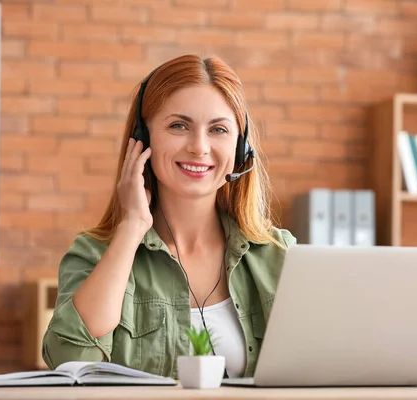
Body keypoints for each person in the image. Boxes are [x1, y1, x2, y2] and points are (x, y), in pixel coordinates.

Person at [42, 54, 296, 380]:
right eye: (179, 125)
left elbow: (323, 362)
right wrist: (131, 227)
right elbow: (69, 359)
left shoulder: (280, 254)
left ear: (241, 148)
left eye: (218, 129)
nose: (199, 147)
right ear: (143, 139)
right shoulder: (94, 253)